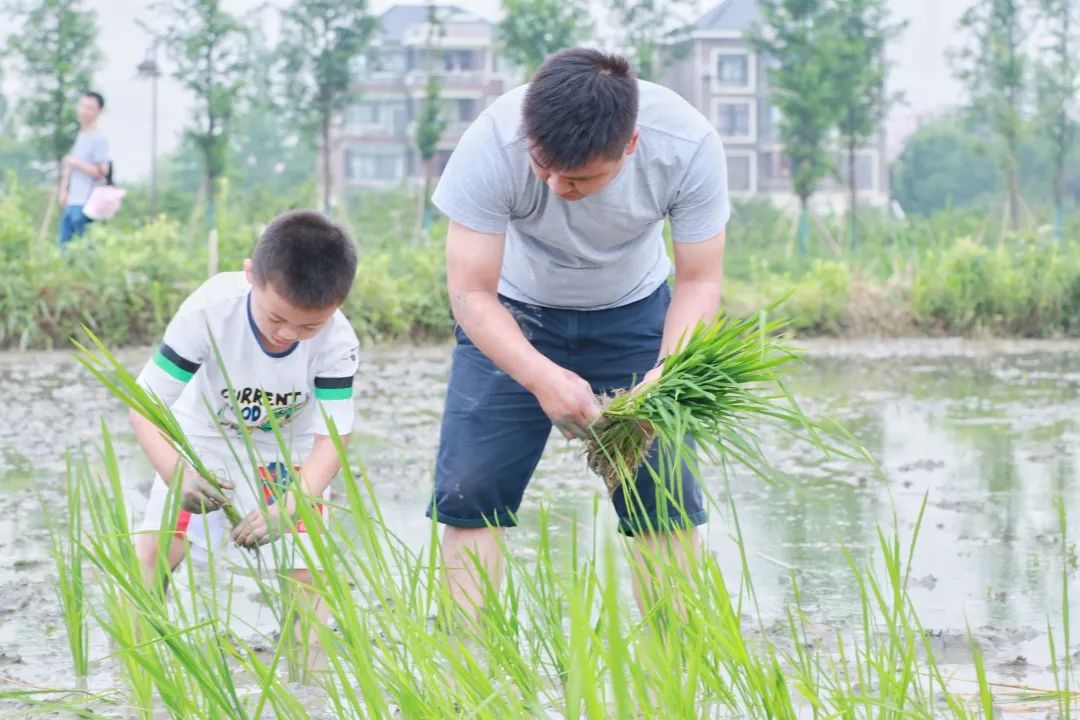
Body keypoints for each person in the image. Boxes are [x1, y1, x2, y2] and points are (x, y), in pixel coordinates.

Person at [428, 48, 730, 619]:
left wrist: (666, 374)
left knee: (663, 494)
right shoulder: (493, 140)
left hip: (636, 314)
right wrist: (540, 377)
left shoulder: (686, 145)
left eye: (580, 177)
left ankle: (675, 655)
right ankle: (465, 660)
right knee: (471, 491)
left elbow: (699, 281)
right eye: (543, 167)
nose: (555, 186)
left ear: (630, 145)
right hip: (511, 313)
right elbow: (470, 292)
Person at [131, 210, 360, 628]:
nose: (287, 335)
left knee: (308, 576)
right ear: (251, 274)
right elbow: (145, 403)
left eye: (309, 326)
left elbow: (332, 438)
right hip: (205, 436)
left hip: (287, 449)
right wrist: (176, 475)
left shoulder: (337, 341)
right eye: (276, 318)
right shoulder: (210, 311)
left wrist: (289, 507)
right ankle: (130, 654)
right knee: (156, 553)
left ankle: (311, 666)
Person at [59, 91, 110, 247]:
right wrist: (64, 190)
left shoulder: (98, 138)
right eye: (82, 106)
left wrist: (77, 164)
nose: (84, 111)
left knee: (86, 248)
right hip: (72, 201)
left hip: (87, 203)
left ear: (99, 111)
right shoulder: (81, 135)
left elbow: (102, 171)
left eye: (90, 108)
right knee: (64, 247)